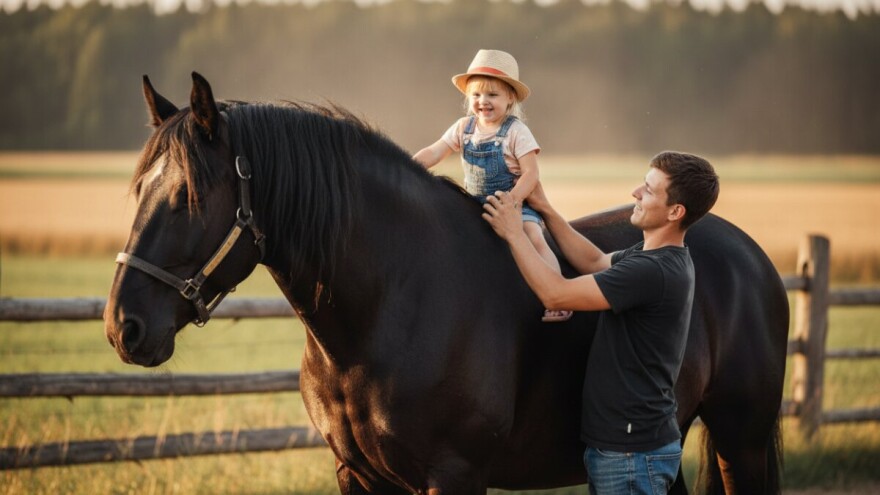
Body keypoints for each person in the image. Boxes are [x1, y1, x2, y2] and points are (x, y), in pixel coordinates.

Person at [482, 151, 720, 495]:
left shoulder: (652, 271)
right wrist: (545, 208)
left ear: (675, 212)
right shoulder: (654, 256)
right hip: (628, 447)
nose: (636, 192)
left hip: (631, 454)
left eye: (649, 190)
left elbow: (556, 294)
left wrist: (513, 233)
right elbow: (593, 260)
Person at [413, 48, 571, 322]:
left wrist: (513, 201)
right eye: (476, 95)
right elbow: (435, 151)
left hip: (514, 204)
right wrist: (409, 165)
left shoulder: (516, 132)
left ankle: (560, 294)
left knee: (533, 237)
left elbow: (531, 174)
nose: (483, 101)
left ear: (510, 98)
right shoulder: (464, 128)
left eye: (492, 95)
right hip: (474, 205)